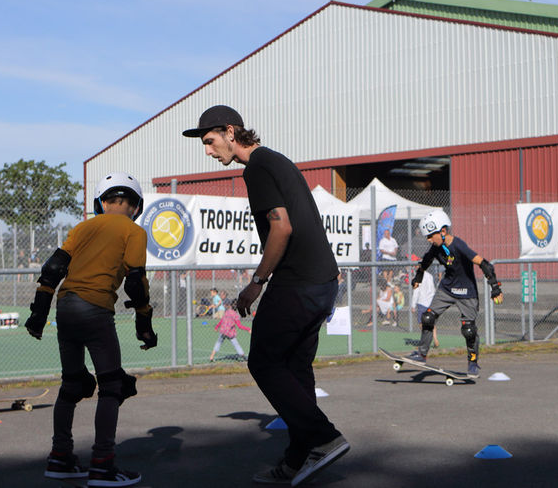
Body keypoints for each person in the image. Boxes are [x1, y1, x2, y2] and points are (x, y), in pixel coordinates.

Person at [184, 104, 348, 486]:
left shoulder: (256, 167)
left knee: (263, 362)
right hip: (323, 282)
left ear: (230, 131)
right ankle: (297, 459)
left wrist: (256, 281)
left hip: (298, 283)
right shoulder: (279, 160)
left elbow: (282, 228)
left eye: (210, 142)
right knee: (294, 369)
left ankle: (324, 438)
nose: (208, 152)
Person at [24, 172, 157, 487]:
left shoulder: (83, 227)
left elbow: (53, 269)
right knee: (111, 386)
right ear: (136, 206)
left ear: (101, 203)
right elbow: (136, 280)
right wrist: (144, 321)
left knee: (71, 385)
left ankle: (60, 457)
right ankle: (102, 465)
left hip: (65, 305)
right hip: (95, 309)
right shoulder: (134, 232)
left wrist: (39, 313)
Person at [407, 209, 504, 377]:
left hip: (467, 291)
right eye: (427, 237)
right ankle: (421, 354)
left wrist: (494, 287)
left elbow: (485, 264)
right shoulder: (436, 247)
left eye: (431, 236)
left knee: (468, 330)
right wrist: (419, 276)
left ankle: (472, 361)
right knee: (428, 317)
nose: (429, 240)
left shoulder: (459, 245)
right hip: (447, 288)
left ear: (443, 231)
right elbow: (426, 260)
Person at [410, 265, 438, 347]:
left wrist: (413, 305)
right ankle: (435, 339)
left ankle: (425, 341)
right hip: (430, 302)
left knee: (421, 323)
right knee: (431, 322)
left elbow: (416, 292)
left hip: (422, 302)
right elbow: (433, 289)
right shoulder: (430, 276)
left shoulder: (418, 277)